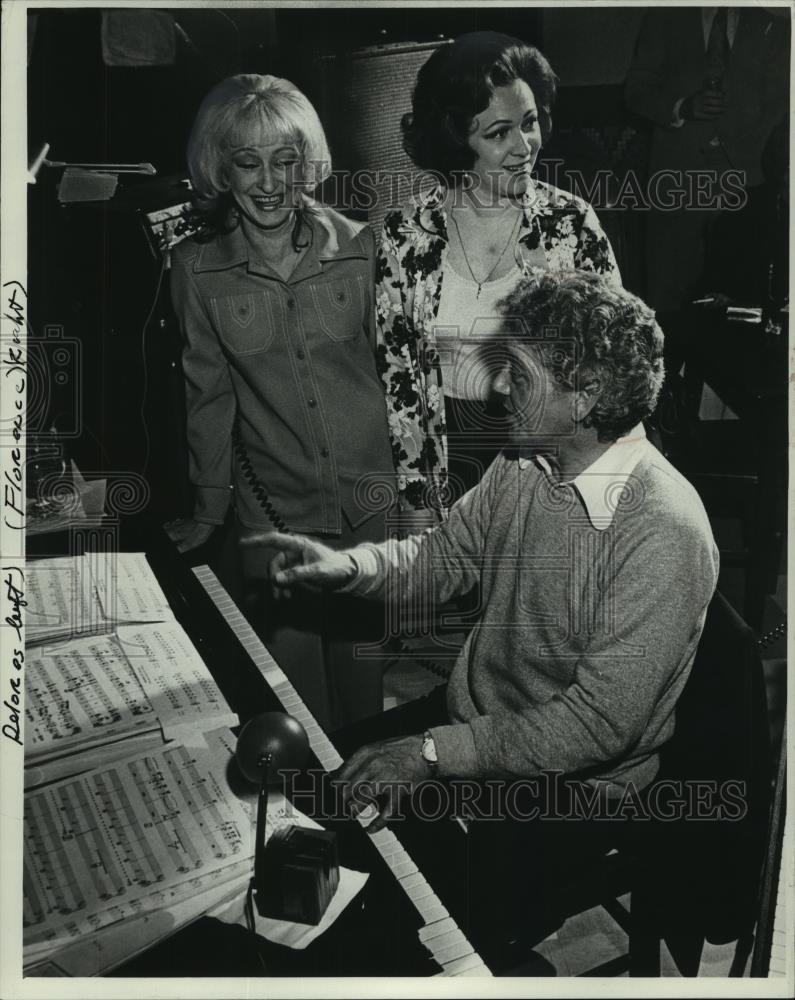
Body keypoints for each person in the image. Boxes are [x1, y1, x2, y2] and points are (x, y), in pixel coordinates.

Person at [248, 270, 720, 965]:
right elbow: (439, 559)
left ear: (583, 396)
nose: (500, 389)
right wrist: (341, 567)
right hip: (474, 728)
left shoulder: (662, 530)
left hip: (573, 794)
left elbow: (597, 725)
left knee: (385, 939)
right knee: (304, 803)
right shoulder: (526, 464)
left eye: (519, 375)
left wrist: (433, 754)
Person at [164, 74, 396, 730]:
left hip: (366, 497)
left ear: (307, 164)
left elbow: (398, 376)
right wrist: (209, 511)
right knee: (295, 700)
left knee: (360, 688)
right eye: (248, 162)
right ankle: (315, 823)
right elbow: (205, 397)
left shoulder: (359, 246)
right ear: (220, 169)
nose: (269, 182)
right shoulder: (193, 267)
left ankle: (366, 817)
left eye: (286, 161)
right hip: (271, 504)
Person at [376, 31, 620, 523]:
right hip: (446, 454)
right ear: (455, 137)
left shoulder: (572, 225)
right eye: (498, 133)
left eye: (529, 124)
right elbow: (399, 379)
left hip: (548, 455)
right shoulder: (405, 235)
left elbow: (612, 362)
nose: (523, 147)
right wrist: (417, 502)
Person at [625, 6, 789, 313]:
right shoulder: (663, 19)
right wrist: (681, 107)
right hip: (676, 181)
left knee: (742, 304)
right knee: (668, 300)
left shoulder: (773, 27)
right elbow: (635, 91)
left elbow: (779, 103)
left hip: (747, 184)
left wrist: (746, 152)